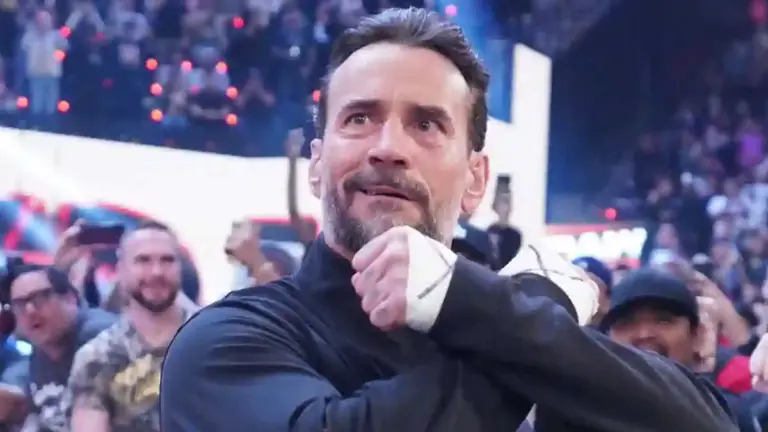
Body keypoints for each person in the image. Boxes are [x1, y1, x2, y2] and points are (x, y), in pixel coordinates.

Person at [160, 8, 736, 431]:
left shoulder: (523, 330)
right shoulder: (227, 343)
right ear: (316, 165)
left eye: (426, 124)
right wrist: (537, 301)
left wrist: (487, 308)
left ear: (476, 181)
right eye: (359, 118)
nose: (388, 147)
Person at [587, 269, 764, 431]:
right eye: (626, 323)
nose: (644, 334)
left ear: (697, 335)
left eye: (663, 320)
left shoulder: (731, 414)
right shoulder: (586, 413)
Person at [68, 221, 198, 432]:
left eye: (167, 260)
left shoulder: (217, 339)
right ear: (121, 270)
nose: (156, 272)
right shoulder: (97, 357)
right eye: (142, 260)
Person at [3, 265, 115, 431]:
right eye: (19, 304)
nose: (30, 310)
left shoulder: (102, 337)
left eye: (39, 298)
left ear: (70, 298)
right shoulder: (41, 348)